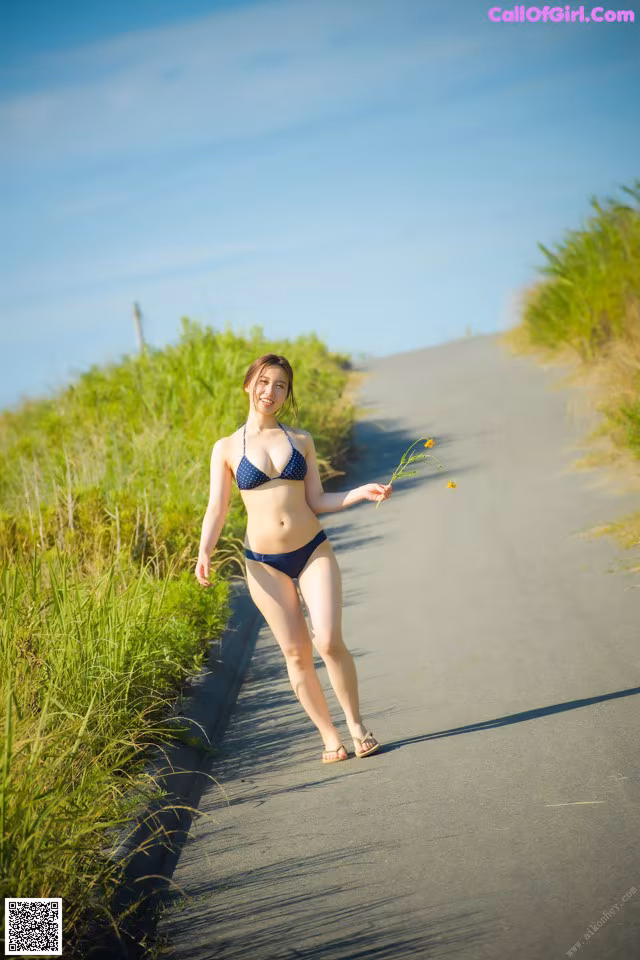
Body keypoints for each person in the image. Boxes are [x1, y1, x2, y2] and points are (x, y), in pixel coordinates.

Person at [195, 353, 392, 763]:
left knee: (328, 640)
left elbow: (317, 499)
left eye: (281, 385)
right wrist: (204, 552)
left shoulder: (300, 439)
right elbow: (217, 508)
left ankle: (356, 726)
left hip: (311, 550)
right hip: (264, 563)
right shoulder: (227, 448)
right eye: (264, 382)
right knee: (296, 653)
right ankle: (329, 737)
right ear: (249, 384)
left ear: (287, 393)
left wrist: (357, 492)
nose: (271, 392)